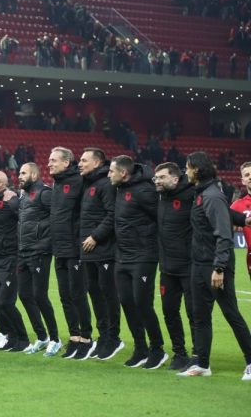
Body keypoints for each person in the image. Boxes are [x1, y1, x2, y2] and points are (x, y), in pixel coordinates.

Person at [178, 152, 251, 380]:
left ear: (197, 170)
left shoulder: (211, 195)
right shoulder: (202, 193)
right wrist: (243, 219)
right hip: (199, 263)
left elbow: (224, 235)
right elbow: (225, 214)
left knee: (231, 314)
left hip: (215, 265)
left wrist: (219, 268)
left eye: (187, 167)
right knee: (200, 315)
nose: (185, 171)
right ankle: (202, 364)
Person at [109, 155, 167, 369]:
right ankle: (140, 348)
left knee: (142, 303)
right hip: (122, 256)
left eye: (111, 171)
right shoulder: (119, 189)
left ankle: (157, 349)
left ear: (123, 173)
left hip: (143, 255)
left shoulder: (144, 191)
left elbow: (161, 218)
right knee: (126, 301)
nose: (109, 175)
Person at [48, 147, 94, 359]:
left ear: (66, 163)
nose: (49, 163)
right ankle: (74, 337)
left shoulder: (79, 181)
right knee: (65, 295)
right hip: (59, 248)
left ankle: (86, 337)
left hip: (75, 249)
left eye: (54, 160)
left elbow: (87, 212)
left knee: (78, 294)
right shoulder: (57, 184)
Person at [78, 148, 122, 360]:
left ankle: (113, 338)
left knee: (107, 294)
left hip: (104, 250)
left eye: (84, 160)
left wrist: (95, 236)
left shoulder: (105, 184)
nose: (80, 163)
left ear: (97, 163)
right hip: (89, 252)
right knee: (95, 293)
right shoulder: (88, 184)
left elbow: (112, 214)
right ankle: (103, 336)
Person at [153, 162, 195, 371]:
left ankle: (198, 355)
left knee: (194, 313)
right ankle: (179, 353)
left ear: (175, 179)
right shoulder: (159, 197)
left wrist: (242, 220)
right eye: (156, 178)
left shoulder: (192, 194)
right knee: (169, 312)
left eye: (162, 177)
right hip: (167, 267)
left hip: (189, 267)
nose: (157, 181)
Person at [16, 163, 60, 356]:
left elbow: (56, 219)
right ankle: (42, 337)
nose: (19, 176)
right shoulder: (24, 196)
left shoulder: (45, 193)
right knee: (24, 295)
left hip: (39, 252)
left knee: (40, 295)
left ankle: (55, 339)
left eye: (23, 173)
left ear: (34, 175)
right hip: (23, 251)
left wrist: (46, 244)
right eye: (19, 173)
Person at [0, 171, 30, 351]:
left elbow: (25, 219)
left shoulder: (12, 201)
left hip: (10, 259)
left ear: (0, 184)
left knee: (6, 302)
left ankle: (23, 339)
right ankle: (10, 336)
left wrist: (15, 198)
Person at [230, 162, 251, 280]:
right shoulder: (238, 205)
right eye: (247, 175)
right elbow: (225, 229)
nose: (250, 177)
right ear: (243, 181)